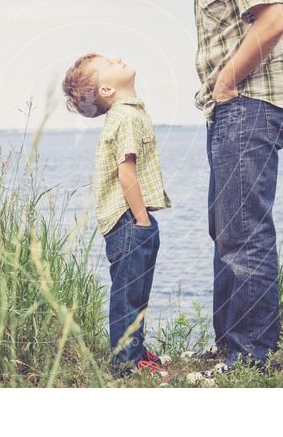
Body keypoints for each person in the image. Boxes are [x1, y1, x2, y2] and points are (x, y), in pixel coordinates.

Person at [132, 0, 283, 379]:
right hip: (232, 109)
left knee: (243, 234)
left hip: (250, 103)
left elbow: (272, 21)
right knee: (226, 231)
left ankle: (250, 358)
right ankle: (231, 348)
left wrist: (226, 82)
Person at [62, 53, 172, 381]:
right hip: (128, 220)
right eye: (111, 63)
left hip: (129, 219)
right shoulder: (125, 117)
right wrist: (142, 220)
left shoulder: (128, 113)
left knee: (135, 291)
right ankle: (127, 363)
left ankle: (134, 352)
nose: (119, 59)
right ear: (108, 89)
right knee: (128, 293)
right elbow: (127, 173)